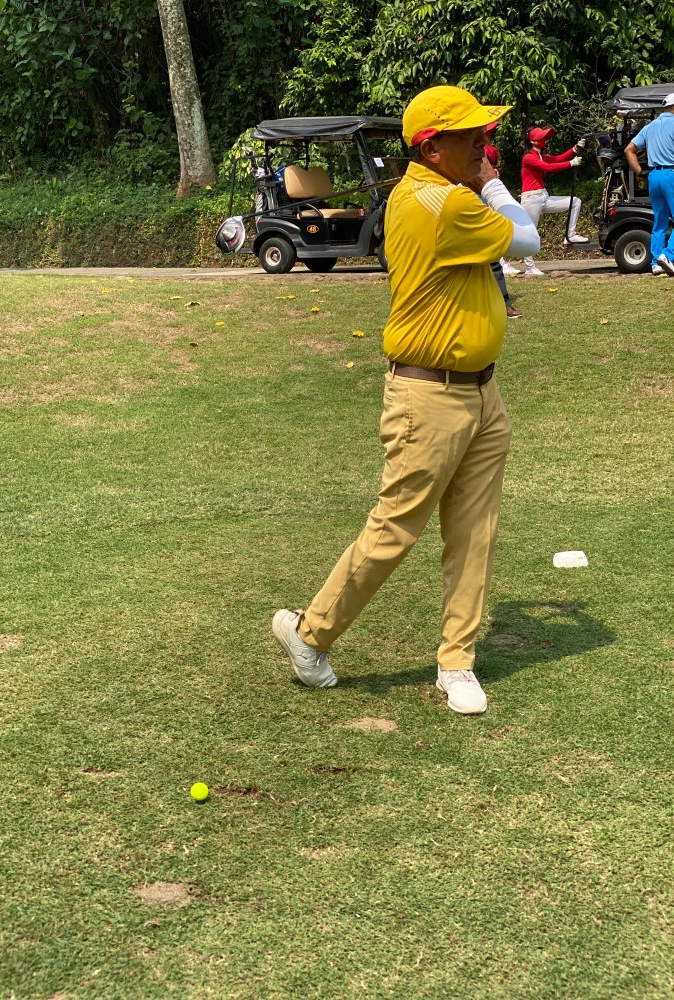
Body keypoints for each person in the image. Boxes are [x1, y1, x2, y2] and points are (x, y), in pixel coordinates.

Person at [271, 85, 540, 716]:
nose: (483, 145)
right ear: (432, 147)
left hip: (481, 391)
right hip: (429, 395)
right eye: (470, 136)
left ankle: (457, 662)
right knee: (395, 527)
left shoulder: (430, 192)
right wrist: (495, 185)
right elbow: (527, 239)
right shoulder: (443, 202)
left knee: (474, 533)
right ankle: (310, 633)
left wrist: (479, 180)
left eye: (483, 134)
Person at [516, 126, 588, 277]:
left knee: (575, 202)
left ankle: (570, 235)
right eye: (541, 138)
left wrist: (574, 149)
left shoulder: (540, 155)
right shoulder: (529, 157)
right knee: (530, 233)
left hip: (543, 196)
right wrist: (571, 163)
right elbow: (548, 167)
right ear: (533, 141)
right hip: (531, 199)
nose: (544, 140)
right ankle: (529, 267)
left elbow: (557, 159)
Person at [624, 93, 674, 277]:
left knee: (660, 222)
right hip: (671, 174)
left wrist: (639, 172)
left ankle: (656, 264)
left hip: (653, 176)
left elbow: (629, 150)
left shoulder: (650, 127)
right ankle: (667, 255)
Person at [483, 131, 522, 316]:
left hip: (485, 220)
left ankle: (503, 302)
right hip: (472, 219)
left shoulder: (491, 178)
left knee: (493, 264)